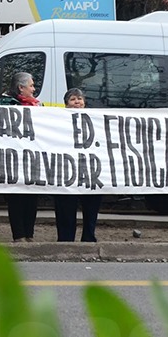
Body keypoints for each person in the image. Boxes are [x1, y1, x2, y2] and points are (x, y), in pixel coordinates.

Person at [0, 72, 41, 242]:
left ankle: (29, 234)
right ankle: (19, 235)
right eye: (31, 85)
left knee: (31, 198)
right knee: (16, 197)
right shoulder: (3, 104)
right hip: (12, 159)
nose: (34, 89)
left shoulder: (38, 106)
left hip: (32, 159)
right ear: (21, 88)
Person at [53, 88, 103, 242]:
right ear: (66, 104)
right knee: (65, 210)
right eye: (73, 99)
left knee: (91, 208)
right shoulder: (57, 120)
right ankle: (65, 239)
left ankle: (89, 238)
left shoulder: (96, 119)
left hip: (90, 171)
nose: (77, 102)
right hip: (66, 171)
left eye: (79, 99)